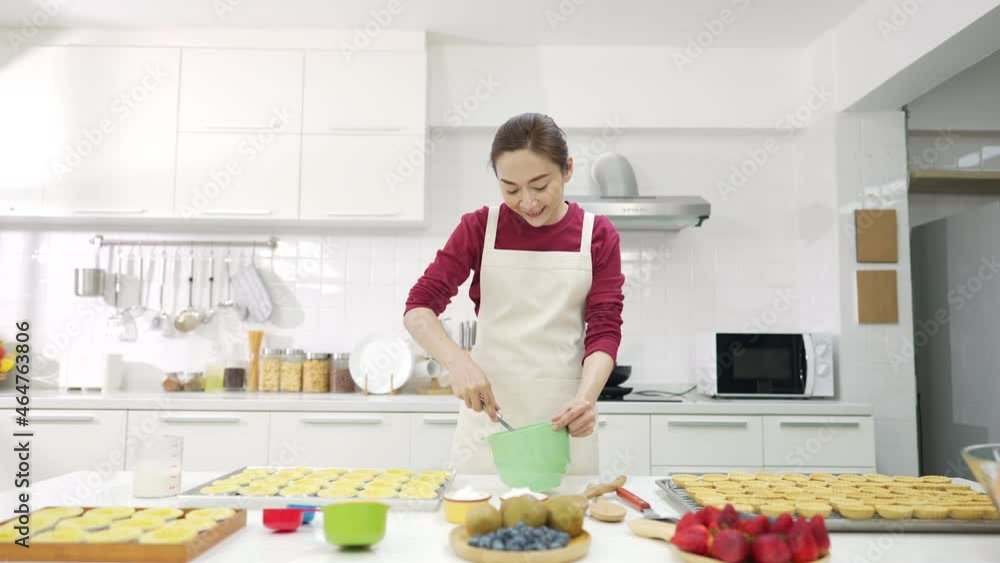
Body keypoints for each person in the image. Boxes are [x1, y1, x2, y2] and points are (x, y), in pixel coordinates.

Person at [403, 112, 625, 475]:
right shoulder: (479, 228)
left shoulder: (597, 235)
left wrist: (587, 399)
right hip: (489, 421)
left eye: (540, 186)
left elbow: (604, 329)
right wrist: (459, 363)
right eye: (510, 189)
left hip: (565, 421)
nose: (527, 202)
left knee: (567, 525)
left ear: (567, 169)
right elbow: (418, 308)